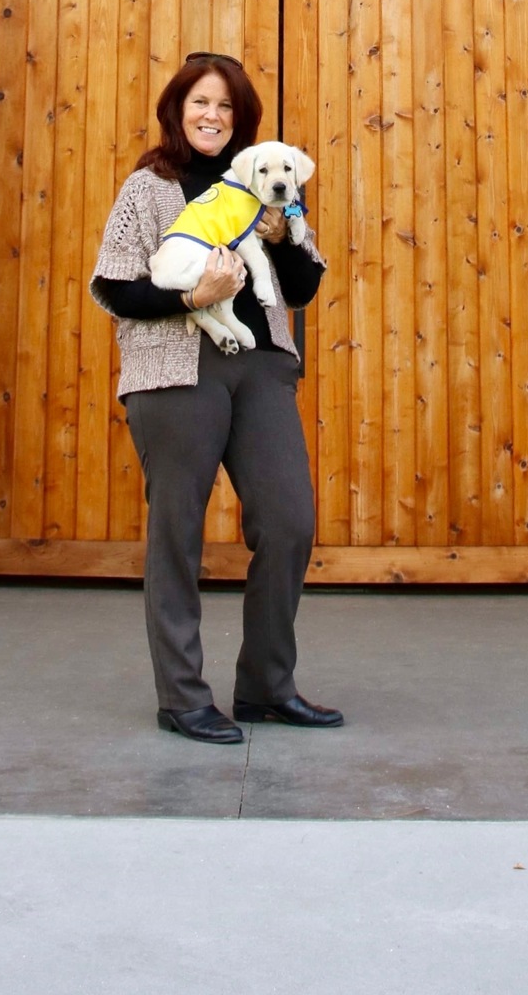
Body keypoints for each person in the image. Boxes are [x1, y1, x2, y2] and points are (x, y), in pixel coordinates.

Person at [91, 51, 342, 743]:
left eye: (226, 106)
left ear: (244, 120)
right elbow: (113, 287)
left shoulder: (272, 184)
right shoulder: (149, 187)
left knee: (288, 521)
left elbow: (299, 290)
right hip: (175, 370)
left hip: (258, 365)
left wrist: (286, 236)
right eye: (201, 102)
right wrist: (190, 296)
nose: (212, 116)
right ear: (177, 110)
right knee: (178, 533)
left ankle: (265, 687)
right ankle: (183, 697)